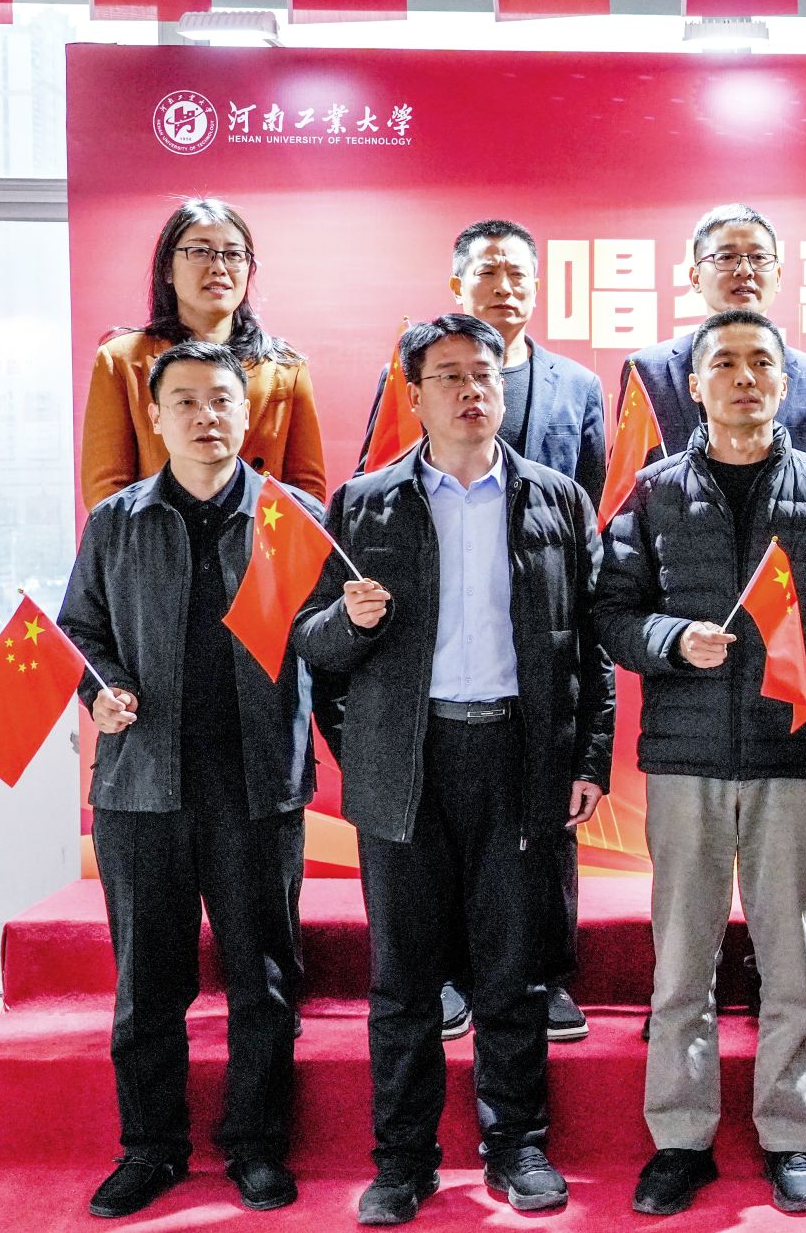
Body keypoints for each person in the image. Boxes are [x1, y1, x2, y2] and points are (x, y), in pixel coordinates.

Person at [291, 313, 614, 1226]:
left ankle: (517, 1146)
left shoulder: (557, 500)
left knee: (513, 971)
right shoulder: (365, 503)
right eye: (449, 376)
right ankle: (403, 1160)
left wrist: (587, 757)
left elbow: (591, 646)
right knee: (403, 981)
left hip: (519, 757)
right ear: (414, 393)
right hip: (409, 765)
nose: (472, 390)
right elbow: (313, 643)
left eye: (485, 374)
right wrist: (351, 639)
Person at [595, 309, 806, 1216]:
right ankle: (681, 1138)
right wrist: (672, 640)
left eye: (763, 362)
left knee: (792, 964)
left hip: (793, 758)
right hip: (685, 761)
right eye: (726, 362)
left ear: (786, 383)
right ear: (695, 384)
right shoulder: (654, 490)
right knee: (682, 964)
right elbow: (612, 613)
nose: (746, 377)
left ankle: (790, 1134)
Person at [59, 340, 317, 1219]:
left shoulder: (292, 519)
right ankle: (151, 1146)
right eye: (186, 402)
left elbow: (330, 640)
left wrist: (356, 627)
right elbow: (80, 632)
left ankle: (256, 1145)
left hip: (257, 785)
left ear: (247, 413)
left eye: (221, 400)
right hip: (142, 788)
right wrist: (100, 690)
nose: (206, 416)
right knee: (148, 983)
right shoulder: (116, 522)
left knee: (264, 978)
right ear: (156, 416)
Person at [353, 219, 608, 1047]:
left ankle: (542, 975)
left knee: (537, 850)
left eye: (519, 275)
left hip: (532, 642)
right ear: (458, 284)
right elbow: (368, 505)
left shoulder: (576, 386)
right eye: (488, 273)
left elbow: (592, 511)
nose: (506, 287)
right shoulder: (412, 374)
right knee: (425, 883)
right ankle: (447, 980)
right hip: (429, 676)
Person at [81, 197, 326, 510]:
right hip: (158, 534)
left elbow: (307, 493)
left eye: (233, 254)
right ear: (167, 269)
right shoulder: (123, 360)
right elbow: (106, 492)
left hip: (258, 536)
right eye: (200, 252)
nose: (219, 268)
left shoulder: (285, 367)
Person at [619, 204, 806, 462]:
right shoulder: (647, 372)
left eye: (759, 258)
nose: (745, 270)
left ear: (778, 276)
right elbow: (626, 476)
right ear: (695, 277)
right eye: (726, 257)